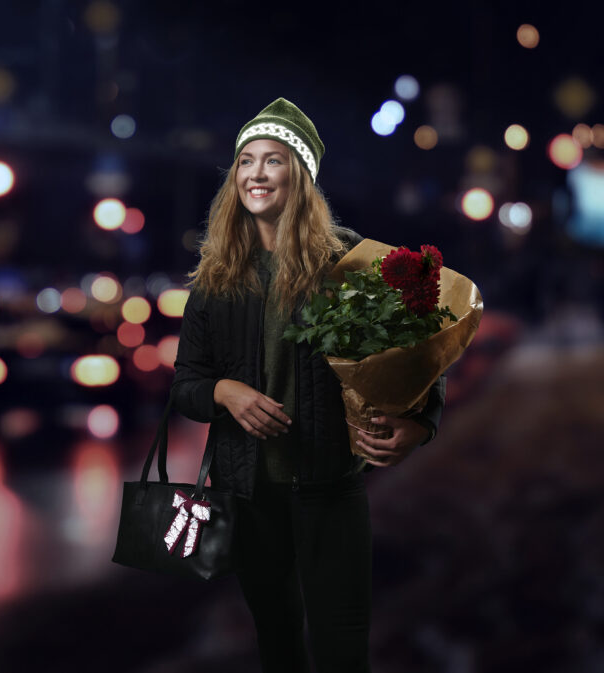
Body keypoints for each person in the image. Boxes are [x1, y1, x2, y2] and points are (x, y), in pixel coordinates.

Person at [171, 98, 446, 672]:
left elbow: (418, 358)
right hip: (248, 492)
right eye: (246, 161)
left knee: (342, 642)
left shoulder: (349, 263)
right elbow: (186, 384)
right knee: (277, 640)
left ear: (300, 176)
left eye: (274, 160)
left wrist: (419, 425)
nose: (257, 174)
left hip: (329, 486)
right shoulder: (217, 275)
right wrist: (225, 391)